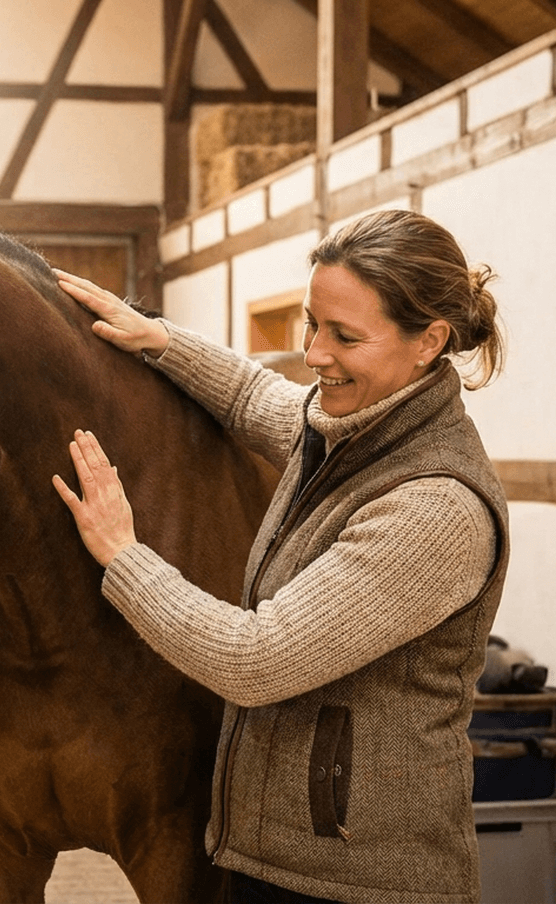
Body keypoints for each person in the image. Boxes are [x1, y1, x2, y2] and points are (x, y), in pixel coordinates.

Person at [50, 209, 509, 904]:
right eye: (311, 324)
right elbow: (252, 395)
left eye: (344, 336)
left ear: (429, 341)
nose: (315, 354)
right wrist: (158, 339)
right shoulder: (347, 430)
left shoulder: (434, 508)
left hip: (359, 884)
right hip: (285, 863)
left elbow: (254, 660)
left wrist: (124, 556)